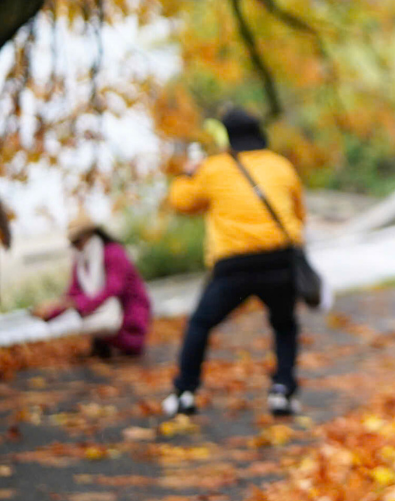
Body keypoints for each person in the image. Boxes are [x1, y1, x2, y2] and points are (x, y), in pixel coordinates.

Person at [162, 107, 306, 417]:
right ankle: (282, 390)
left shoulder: (213, 169)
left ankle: (185, 391)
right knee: (284, 325)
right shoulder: (281, 166)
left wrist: (188, 174)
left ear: (227, 137)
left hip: (234, 264)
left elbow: (182, 202)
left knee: (200, 323)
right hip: (279, 258)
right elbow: (298, 214)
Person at [32, 218, 152, 358]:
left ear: (90, 234)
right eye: (72, 242)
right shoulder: (81, 261)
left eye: (77, 241)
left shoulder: (114, 252)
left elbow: (112, 289)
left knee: (131, 348)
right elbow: (73, 292)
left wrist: (76, 303)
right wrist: (51, 311)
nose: (76, 246)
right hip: (103, 317)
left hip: (129, 314)